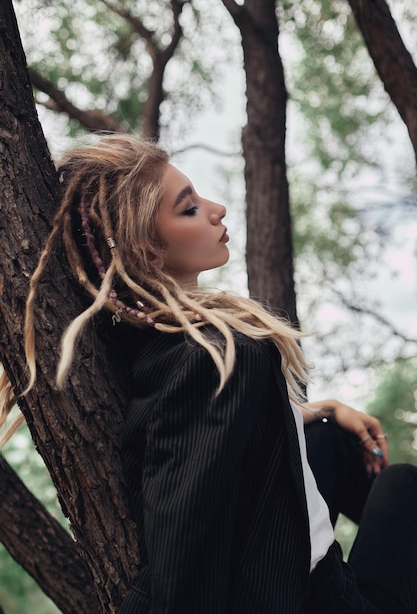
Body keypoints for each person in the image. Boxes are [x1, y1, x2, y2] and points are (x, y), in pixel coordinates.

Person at [3, 133, 417, 613]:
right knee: (404, 485)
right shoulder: (219, 356)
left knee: (333, 438)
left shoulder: (158, 341)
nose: (217, 208)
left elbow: (214, 432)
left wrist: (317, 411)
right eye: (189, 208)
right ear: (146, 250)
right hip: (316, 597)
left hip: (295, 552)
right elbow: (185, 549)